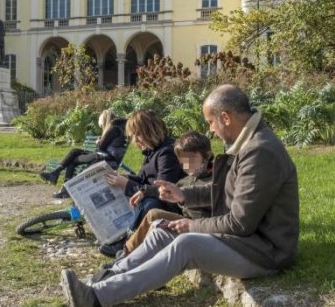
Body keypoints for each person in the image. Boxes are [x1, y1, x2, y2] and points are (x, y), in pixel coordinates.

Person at [60, 85, 300, 307]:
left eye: (211, 122)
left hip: (264, 251)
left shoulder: (260, 152)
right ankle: (104, 279)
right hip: (244, 240)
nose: (210, 129)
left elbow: (239, 223)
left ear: (225, 117)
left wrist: (191, 225)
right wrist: (182, 194)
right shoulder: (245, 143)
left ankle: (95, 298)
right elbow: (223, 190)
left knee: (186, 244)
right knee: (162, 228)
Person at [118, 131, 221, 259]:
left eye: (191, 159)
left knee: (154, 214)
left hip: (203, 227)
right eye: (182, 161)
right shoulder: (186, 180)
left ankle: (137, 257)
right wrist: (146, 191)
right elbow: (169, 191)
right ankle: (127, 253)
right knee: (154, 214)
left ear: (207, 155)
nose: (186, 165)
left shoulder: (216, 178)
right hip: (184, 220)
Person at [99, 110, 183, 257]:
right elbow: (143, 179)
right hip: (157, 198)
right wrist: (125, 178)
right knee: (142, 198)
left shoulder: (167, 152)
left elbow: (163, 189)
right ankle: (121, 235)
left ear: (150, 131)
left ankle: (125, 241)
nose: (135, 141)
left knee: (149, 202)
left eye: (138, 135)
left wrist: (127, 184)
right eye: (133, 136)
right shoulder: (152, 151)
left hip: (172, 205)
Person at [40, 110, 128, 199]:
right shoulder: (119, 126)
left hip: (105, 158)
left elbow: (101, 146)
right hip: (105, 155)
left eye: (101, 125)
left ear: (105, 120)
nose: (101, 127)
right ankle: (57, 176)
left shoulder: (113, 128)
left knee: (72, 160)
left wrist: (98, 141)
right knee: (74, 151)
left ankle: (63, 186)